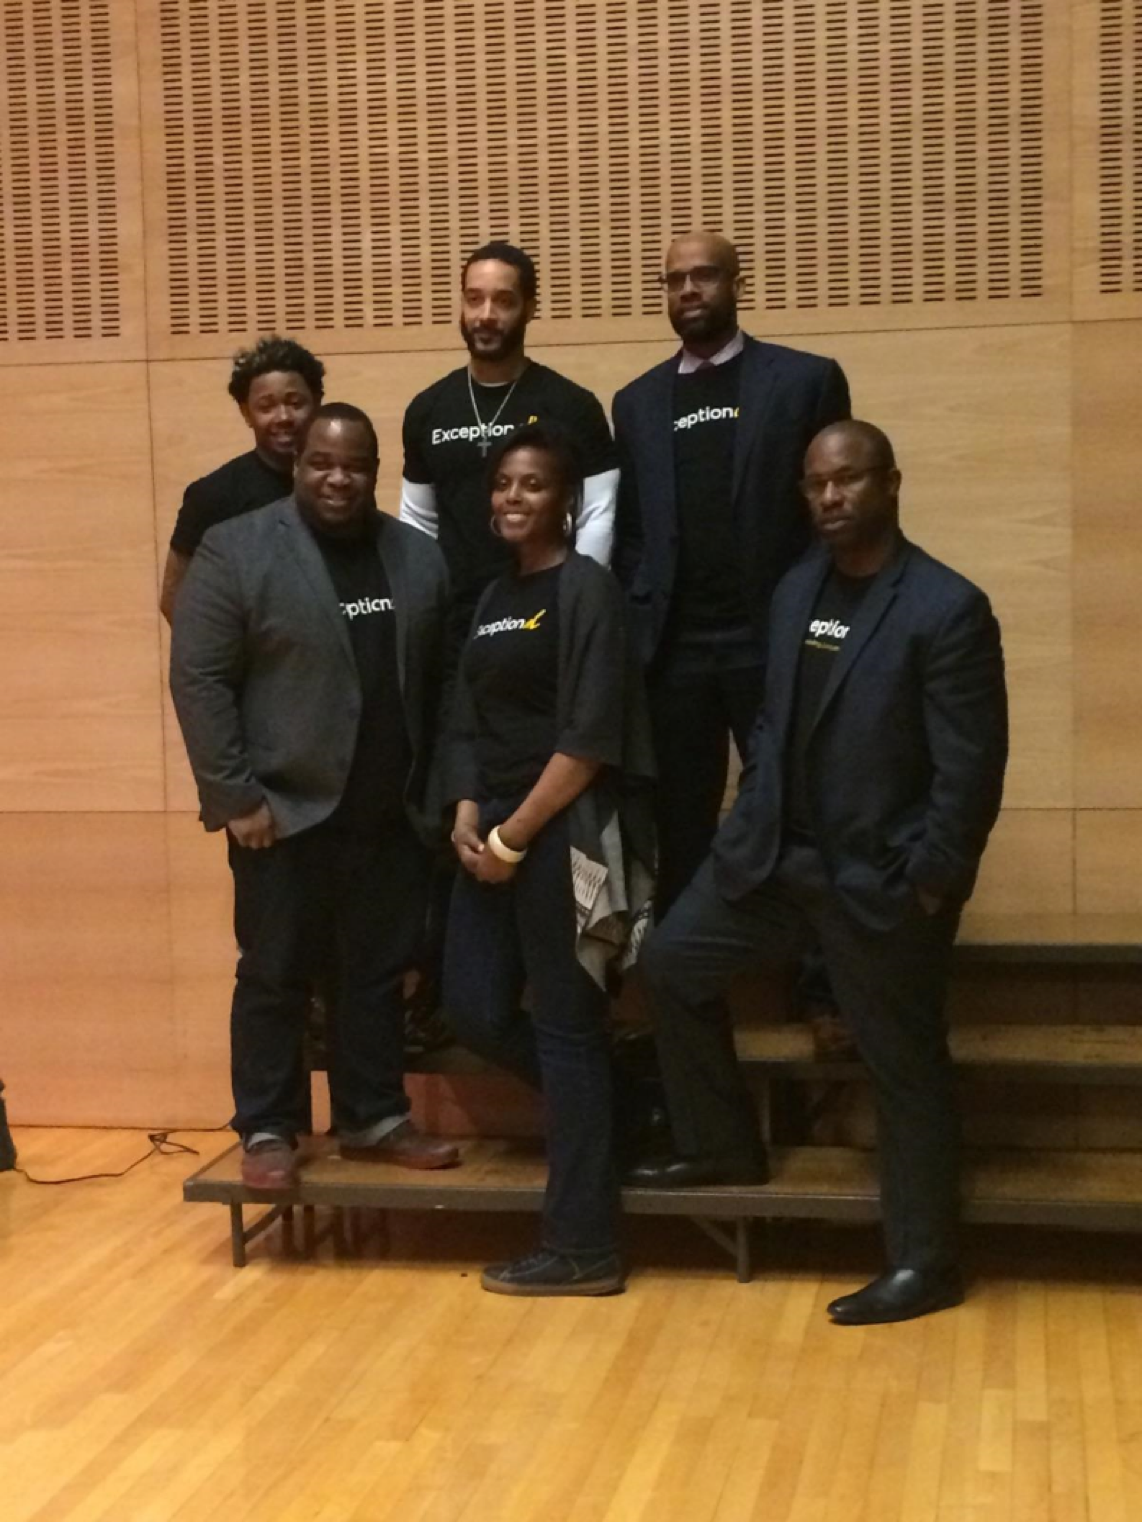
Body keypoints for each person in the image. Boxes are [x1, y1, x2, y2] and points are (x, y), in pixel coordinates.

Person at [627, 421, 1008, 1326]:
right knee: (670, 966)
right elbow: (770, 724)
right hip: (771, 863)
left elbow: (971, 771)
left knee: (903, 1066)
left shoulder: (947, 607)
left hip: (879, 884)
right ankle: (722, 1146)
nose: (831, 498)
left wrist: (928, 881)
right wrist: (749, 811)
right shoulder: (798, 589)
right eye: (816, 485)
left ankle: (925, 1262)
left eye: (849, 480)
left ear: (891, 483)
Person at [170, 403, 459, 1189]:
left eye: (355, 465)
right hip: (281, 815)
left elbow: (437, 686)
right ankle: (268, 1127)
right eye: (322, 464)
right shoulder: (238, 549)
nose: (338, 478)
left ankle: (374, 1117)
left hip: (388, 814)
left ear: (375, 472)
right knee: (275, 973)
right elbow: (198, 678)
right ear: (298, 466)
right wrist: (234, 797)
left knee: (374, 974)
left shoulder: (416, 558)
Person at [441, 423, 654, 1297]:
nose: (512, 498)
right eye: (502, 484)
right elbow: (465, 720)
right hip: (489, 832)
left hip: (562, 835)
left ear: (565, 501)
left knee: (566, 1031)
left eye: (531, 485)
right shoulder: (492, 598)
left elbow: (591, 737)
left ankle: (584, 1248)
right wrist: (467, 814)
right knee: (474, 1006)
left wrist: (513, 836)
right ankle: (621, 1102)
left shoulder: (587, 590)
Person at [401, 242, 620, 1045]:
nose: (487, 314)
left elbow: (597, 517)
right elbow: (418, 526)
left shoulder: (570, 404)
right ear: (460, 305)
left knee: (565, 991)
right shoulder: (428, 410)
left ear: (529, 307)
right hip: (471, 627)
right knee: (455, 793)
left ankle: (581, 1055)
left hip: (554, 625)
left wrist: (566, 603)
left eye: (503, 299)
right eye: (474, 298)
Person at [612, 231, 851, 917]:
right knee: (681, 827)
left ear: (737, 283)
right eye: (675, 280)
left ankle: (823, 992)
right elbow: (632, 530)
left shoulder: (804, 381)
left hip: (771, 642)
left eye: (706, 276)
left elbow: (829, 516)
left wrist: (806, 613)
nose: (689, 290)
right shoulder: (635, 403)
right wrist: (638, 601)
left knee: (803, 812)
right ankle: (688, 997)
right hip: (676, 652)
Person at [160, 336, 325, 622]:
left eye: (295, 402)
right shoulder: (212, 494)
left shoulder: (337, 485)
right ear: (246, 412)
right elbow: (175, 597)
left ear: (317, 402)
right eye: (266, 406)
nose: (283, 416)